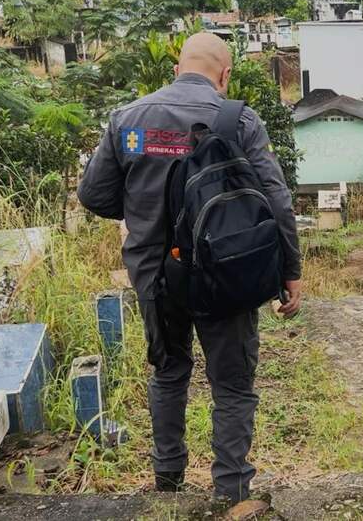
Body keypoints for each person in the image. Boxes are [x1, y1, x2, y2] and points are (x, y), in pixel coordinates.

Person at [77, 33, 302, 504]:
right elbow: (277, 199)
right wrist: (290, 270)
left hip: (155, 275)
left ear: (176, 70)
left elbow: (94, 196)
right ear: (225, 75)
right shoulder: (238, 119)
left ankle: (168, 483)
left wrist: (141, 213)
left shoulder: (128, 120)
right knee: (233, 386)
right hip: (226, 274)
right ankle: (231, 491)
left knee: (169, 372)